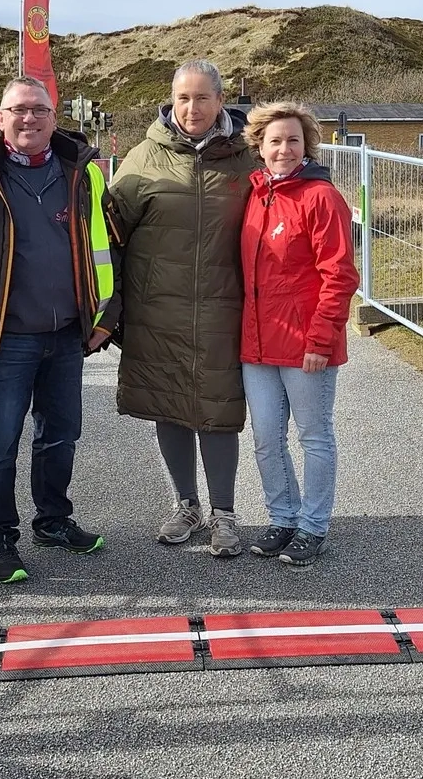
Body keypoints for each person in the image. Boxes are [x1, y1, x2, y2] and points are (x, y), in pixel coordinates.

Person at [0, 77, 122, 584]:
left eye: (39, 110)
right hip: (5, 336)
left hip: (67, 335)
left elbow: (110, 245)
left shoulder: (83, 173)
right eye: (18, 110)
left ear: (55, 118)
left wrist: (105, 315)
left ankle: (52, 521)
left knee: (60, 436)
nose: (29, 118)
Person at [110, 59, 257, 557]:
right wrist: (112, 308)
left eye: (202, 97)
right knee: (168, 407)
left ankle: (224, 513)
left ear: (221, 100)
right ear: (171, 100)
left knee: (219, 409)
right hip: (158, 310)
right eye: (183, 98)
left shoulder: (247, 159)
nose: (192, 108)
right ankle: (186, 504)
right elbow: (110, 233)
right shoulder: (144, 157)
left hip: (224, 309)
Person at [239, 103, 359, 566]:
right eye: (275, 141)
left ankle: (313, 526)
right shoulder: (255, 195)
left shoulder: (321, 197)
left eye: (294, 140)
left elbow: (340, 275)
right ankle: (283, 518)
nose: (285, 149)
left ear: (307, 145)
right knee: (267, 438)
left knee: (313, 436)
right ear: (260, 147)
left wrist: (321, 341)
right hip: (258, 344)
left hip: (307, 343)